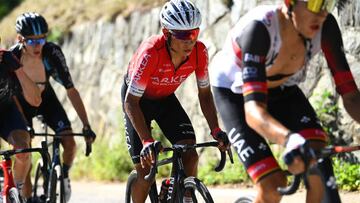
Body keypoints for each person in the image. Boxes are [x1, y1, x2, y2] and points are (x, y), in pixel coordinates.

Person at [209, 0, 357, 203]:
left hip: (282, 88)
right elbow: (254, 112)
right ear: (290, 3)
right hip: (236, 94)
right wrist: (290, 140)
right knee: (273, 185)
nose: (322, 13)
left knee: (318, 162)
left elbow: (350, 95)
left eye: (328, 4)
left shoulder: (326, 26)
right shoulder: (259, 29)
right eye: (315, 4)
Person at [121, 0, 229, 202]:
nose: (190, 41)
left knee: (189, 152)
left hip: (165, 100)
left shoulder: (200, 52)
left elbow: (205, 94)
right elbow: (131, 102)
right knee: (146, 172)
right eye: (183, 35)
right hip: (137, 102)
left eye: (194, 34)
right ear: (166, 33)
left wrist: (216, 130)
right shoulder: (151, 53)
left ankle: (176, 194)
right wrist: (147, 141)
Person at [10, 12, 96, 203]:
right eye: (32, 41)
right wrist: (25, 125)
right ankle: (27, 197)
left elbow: (71, 90)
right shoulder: (13, 56)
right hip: (21, 103)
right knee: (25, 154)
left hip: (46, 99)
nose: (38, 45)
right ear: (20, 39)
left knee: (70, 143)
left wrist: (86, 125)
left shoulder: (52, 53)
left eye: (42, 39)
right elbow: (11, 96)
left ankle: (63, 176)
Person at [0, 48, 41, 201]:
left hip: (7, 109)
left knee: (23, 150)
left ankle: (17, 192)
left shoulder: (7, 60)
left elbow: (36, 100)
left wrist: (18, 70)